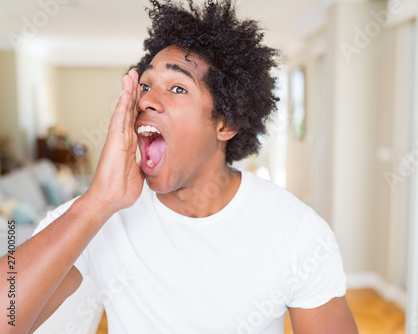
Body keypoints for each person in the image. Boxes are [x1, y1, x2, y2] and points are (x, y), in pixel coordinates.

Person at [0, 0, 358, 333]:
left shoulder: (296, 231)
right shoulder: (99, 217)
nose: (148, 100)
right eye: (146, 84)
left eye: (178, 88)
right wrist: (97, 202)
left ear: (226, 124)